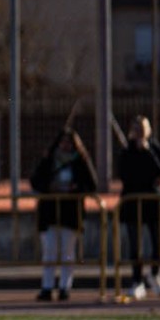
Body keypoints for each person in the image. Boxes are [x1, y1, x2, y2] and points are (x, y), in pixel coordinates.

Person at [29, 129, 98, 302]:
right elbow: (35, 181)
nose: (65, 145)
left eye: (69, 142)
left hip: (70, 212)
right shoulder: (50, 159)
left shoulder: (80, 160)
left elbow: (92, 184)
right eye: (63, 142)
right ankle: (47, 286)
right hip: (50, 211)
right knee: (49, 250)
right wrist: (49, 186)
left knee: (67, 251)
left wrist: (75, 188)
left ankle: (64, 287)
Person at [117, 115, 160, 299]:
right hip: (133, 203)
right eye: (136, 128)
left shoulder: (156, 149)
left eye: (143, 128)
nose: (139, 132)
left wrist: (146, 152)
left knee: (159, 244)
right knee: (135, 245)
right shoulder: (127, 151)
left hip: (154, 202)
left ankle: (155, 274)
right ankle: (137, 280)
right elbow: (125, 174)